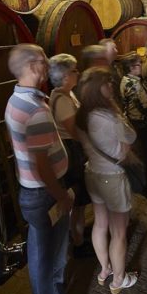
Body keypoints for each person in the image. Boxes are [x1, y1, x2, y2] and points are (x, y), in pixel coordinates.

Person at [4, 44, 73, 294]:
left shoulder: (16, 99)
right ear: (33, 65)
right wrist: (62, 196)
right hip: (46, 193)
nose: (47, 65)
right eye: (44, 61)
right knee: (51, 259)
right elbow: (42, 165)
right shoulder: (35, 110)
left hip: (31, 191)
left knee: (40, 255)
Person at [76, 67, 139, 294]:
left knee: (100, 225)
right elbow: (130, 137)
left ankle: (104, 271)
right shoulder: (109, 117)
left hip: (92, 173)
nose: (111, 87)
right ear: (96, 89)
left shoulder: (81, 114)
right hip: (111, 177)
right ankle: (119, 279)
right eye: (106, 83)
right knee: (119, 232)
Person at [48, 53, 93, 258]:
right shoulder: (62, 99)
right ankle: (78, 241)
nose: (78, 73)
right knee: (78, 199)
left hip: (76, 149)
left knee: (80, 198)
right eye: (74, 70)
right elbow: (74, 130)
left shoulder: (67, 94)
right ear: (65, 76)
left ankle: (78, 234)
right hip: (72, 152)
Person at [120, 53, 147, 189]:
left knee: (140, 152)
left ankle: (143, 181)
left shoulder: (124, 80)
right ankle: (146, 184)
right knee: (145, 153)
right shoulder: (136, 85)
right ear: (131, 67)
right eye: (139, 64)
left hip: (131, 121)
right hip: (142, 123)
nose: (141, 66)